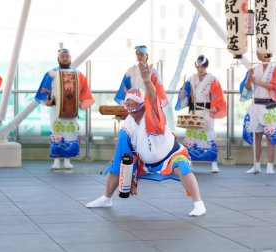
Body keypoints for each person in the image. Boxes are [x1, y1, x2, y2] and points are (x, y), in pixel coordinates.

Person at [86, 62, 206, 217]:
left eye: (132, 101)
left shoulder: (153, 115)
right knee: (115, 167)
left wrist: (147, 80)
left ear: (142, 104)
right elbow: (124, 153)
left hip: (170, 155)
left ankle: (199, 204)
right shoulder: (127, 125)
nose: (128, 103)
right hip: (144, 160)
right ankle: (106, 198)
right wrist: (129, 176)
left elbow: (153, 98)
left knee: (182, 168)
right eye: (127, 101)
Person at [35, 48, 94, 170]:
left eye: (67, 56)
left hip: (72, 110)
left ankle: (68, 160)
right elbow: (44, 91)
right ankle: (56, 160)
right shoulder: (51, 73)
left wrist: (80, 103)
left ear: (70, 58)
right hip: (57, 109)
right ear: (58, 58)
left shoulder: (78, 74)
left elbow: (84, 90)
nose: (65, 58)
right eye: (63, 56)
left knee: (70, 133)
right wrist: (49, 102)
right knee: (56, 131)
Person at [175, 55, 227, 173]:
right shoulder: (190, 79)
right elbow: (184, 92)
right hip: (194, 110)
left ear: (206, 67)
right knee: (191, 135)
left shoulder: (212, 78)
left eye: (203, 66)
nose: (201, 69)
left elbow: (217, 94)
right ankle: (190, 161)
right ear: (196, 66)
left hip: (207, 111)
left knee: (209, 134)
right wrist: (182, 95)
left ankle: (214, 163)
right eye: (199, 66)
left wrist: (215, 106)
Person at [240, 52, 276, 174]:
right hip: (256, 105)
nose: (260, 55)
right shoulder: (254, 69)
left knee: (270, 136)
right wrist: (249, 78)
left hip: (269, 105)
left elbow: (275, 86)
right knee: (256, 136)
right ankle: (256, 165)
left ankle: (270, 165)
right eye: (258, 53)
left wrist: (257, 82)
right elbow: (248, 87)